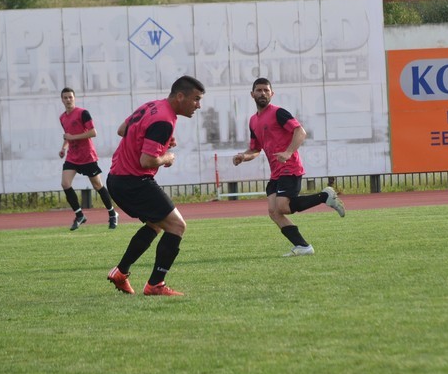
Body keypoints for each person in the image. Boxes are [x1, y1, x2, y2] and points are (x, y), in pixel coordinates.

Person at [105, 75, 206, 296]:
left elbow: (122, 130)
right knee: (177, 226)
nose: (198, 105)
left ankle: (121, 272)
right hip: (135, 182)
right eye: (196, 99)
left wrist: (160, 142)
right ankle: (155, 284)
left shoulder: (152, 106)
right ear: (181, 96)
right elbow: (147, 161)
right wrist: (167, 156)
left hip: (118, 179)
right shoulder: (164, 120)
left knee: (156, 224)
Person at [232, 77, 345, 257]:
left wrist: (288, 152)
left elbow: (300, 131)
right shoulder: (253, 121)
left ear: (272, 94)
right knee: (274, 212)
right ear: (252, 94)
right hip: (276, 173)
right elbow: (255, 149)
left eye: (266, 90)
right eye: (259, 90)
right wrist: (243, 156)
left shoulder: (278, 113)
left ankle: (325, 196)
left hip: (289, 167)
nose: (263, 93)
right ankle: (303, 246)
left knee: (283, 207)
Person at [59, 87, 118, 230]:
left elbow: (93, 132)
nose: (68, 100)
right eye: (65, 98)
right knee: (65, 184)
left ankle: (112, 213)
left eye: (70, 97)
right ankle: (79, 215)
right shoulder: (62, 117)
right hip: (72, 156)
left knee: (97, 186)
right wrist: (64, 148)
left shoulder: (83, 113)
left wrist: (73, 137)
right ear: (62, 100)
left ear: (74, 98)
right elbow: (68, 135)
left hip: (87, 155)